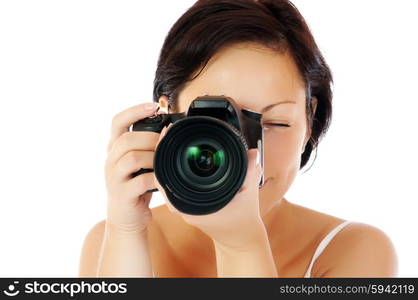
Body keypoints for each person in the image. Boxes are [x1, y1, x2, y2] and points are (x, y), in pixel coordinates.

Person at [79, 0, 398, 277]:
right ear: (166, 117)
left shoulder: (354, 251)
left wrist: (242, 244)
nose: (248, 150)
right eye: (216, 120)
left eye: (276, 122)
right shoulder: (112, 239)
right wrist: (126, 232)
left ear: (309, 123)